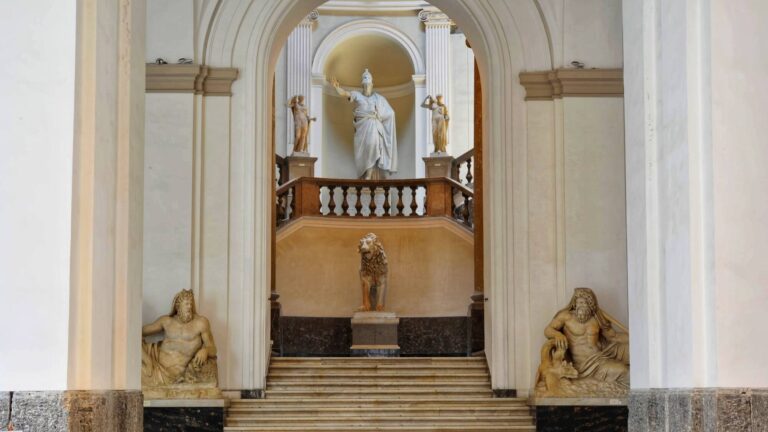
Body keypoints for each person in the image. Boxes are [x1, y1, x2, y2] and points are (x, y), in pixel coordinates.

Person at [544, 287, 629, 386]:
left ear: (590, 304)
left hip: (604, 353)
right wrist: (557, 334)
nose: (582, 305)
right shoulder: (566, 316)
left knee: (630, 350)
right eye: (580, 302)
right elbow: (547, 330)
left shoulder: (597, 318)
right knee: (624, 371)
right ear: (575, 303)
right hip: (587, 364)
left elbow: (613, 336)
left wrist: (634, 338)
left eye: (585, 303)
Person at [141, 289, 217, 386]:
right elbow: (137, 333)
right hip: (154, 368)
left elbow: (213, 349)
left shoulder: (201, 323)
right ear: (178, 306)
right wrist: (147, 360)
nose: (189, 307)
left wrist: (205, 351)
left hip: (175, 376)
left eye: (191, 304)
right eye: (186, 304)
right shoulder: (166, 321)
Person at [331, 69, 397, 179]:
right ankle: (364, 174)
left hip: (374, 125)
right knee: (363, 152)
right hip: (361, 128)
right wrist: (336, 87)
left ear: (372, 84)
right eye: (365, 85)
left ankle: (369, 175)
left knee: (373, 146)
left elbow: (390, 112)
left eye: (368, 84)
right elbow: (345, 93)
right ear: (362, 85)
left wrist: (380, 115)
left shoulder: (378, 98)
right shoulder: (357, 95)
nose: (367, 87)